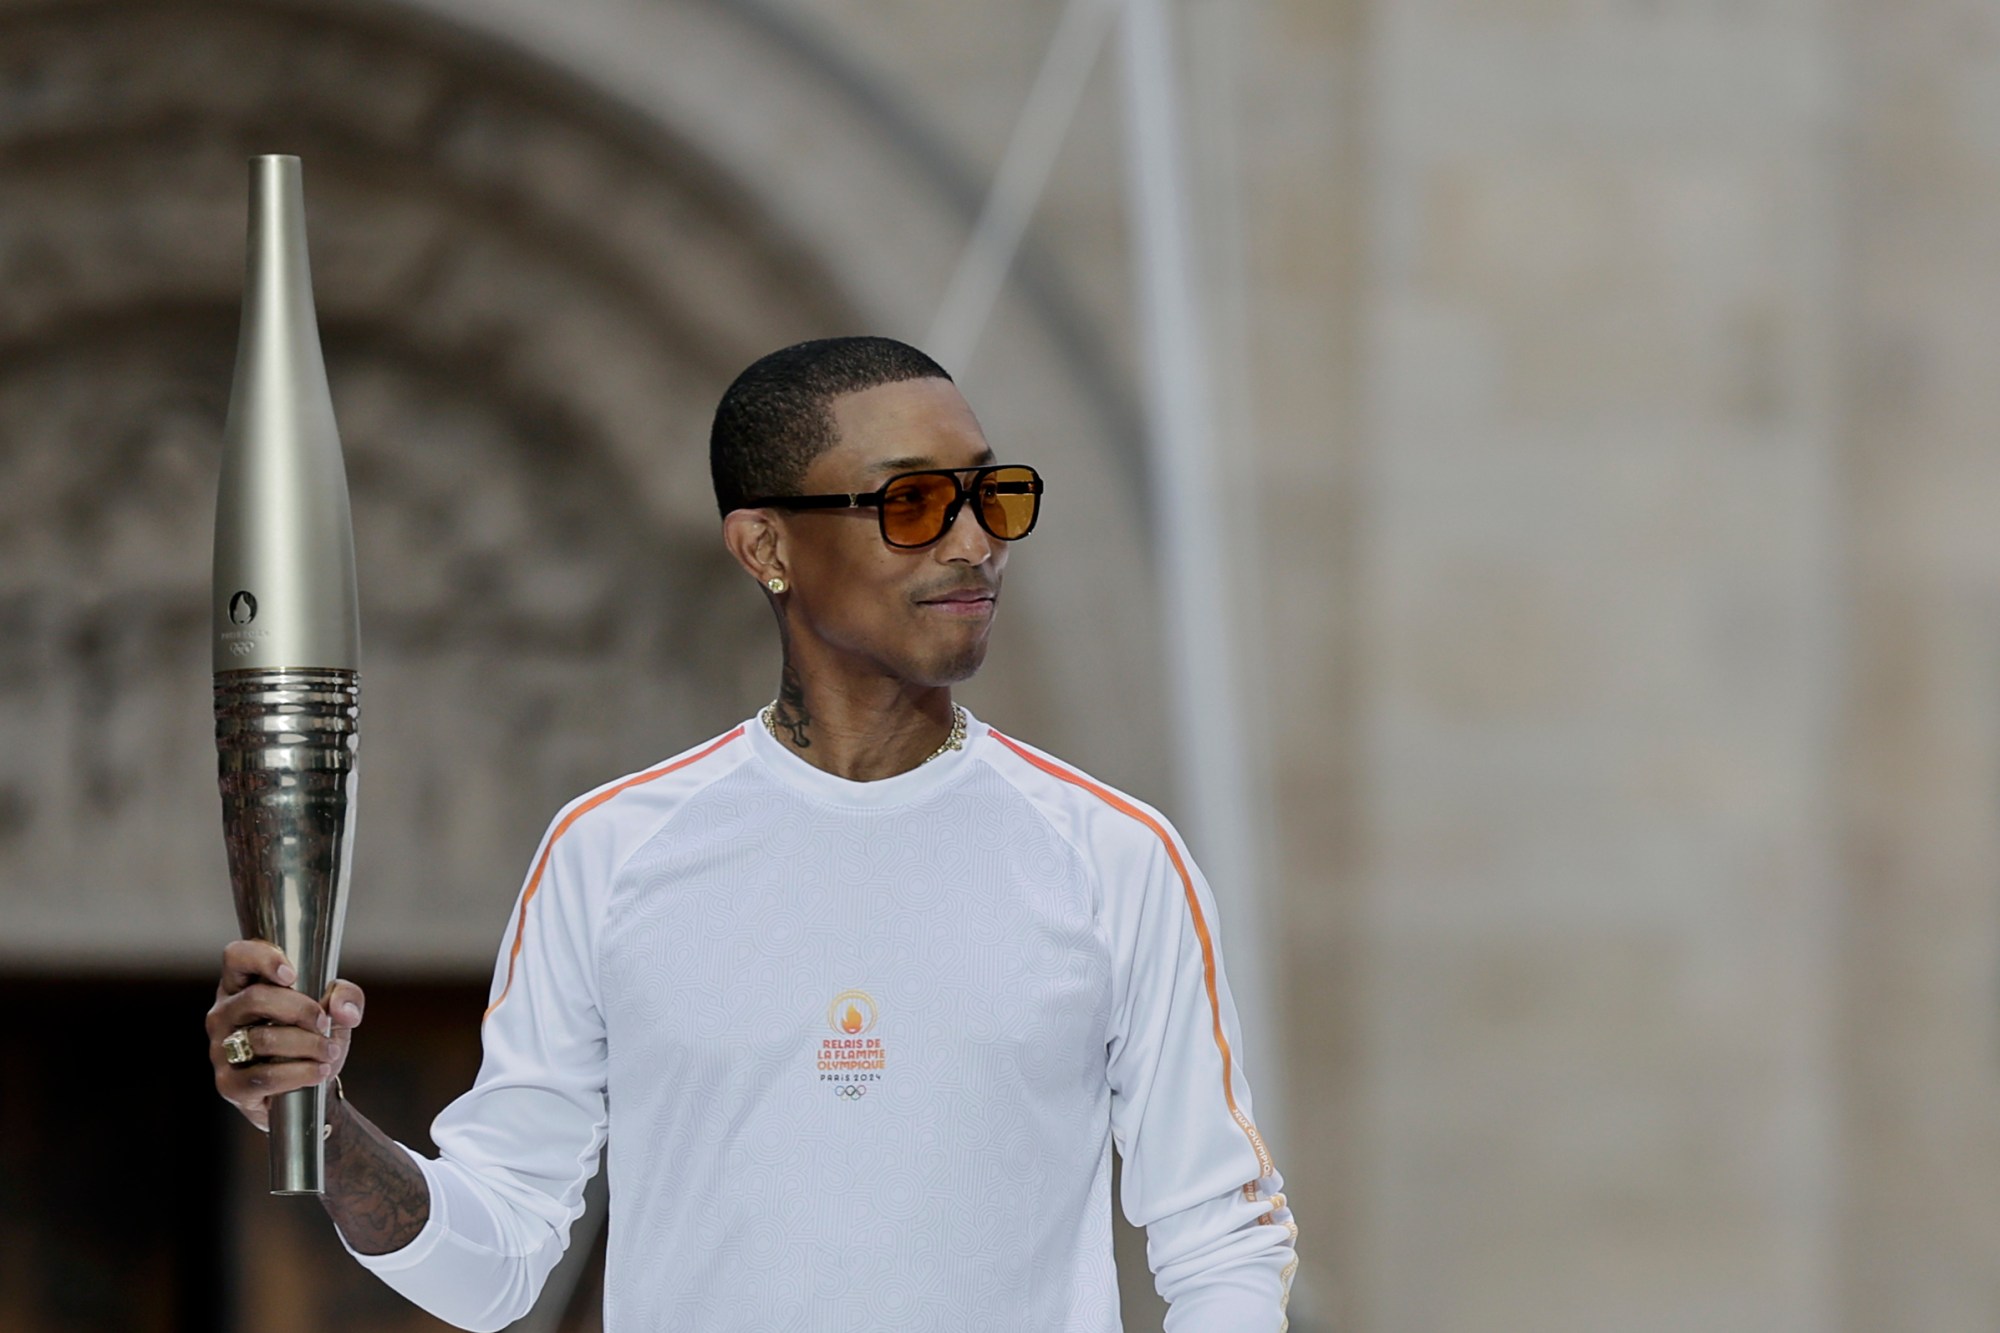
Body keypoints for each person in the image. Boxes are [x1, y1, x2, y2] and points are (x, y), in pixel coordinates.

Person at [206, 336, 1297, 1331]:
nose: (974, 543)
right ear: (764, 543)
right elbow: (494, 1263)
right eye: (912, 503)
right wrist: (326, 1121)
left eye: (991, 495)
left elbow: (1222, 1239)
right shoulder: (610, 851)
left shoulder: (1115, 856)